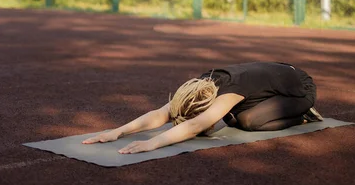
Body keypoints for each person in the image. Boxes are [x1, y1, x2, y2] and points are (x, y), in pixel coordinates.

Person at [83, 61, 322, 155]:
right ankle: (268, 104)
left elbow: (196, 124)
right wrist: (119, 131)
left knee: (248, 122)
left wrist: (151, 143)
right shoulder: (201, 86)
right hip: (270, 81)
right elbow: (161, 113)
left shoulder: (229, 93)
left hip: (299, 88)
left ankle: (302, 116)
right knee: (234, 117)